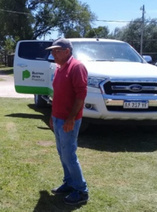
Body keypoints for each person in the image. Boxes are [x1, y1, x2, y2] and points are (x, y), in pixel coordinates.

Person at [46, 38, 89, 205]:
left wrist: (71, 118)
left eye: (57, 51)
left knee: (69, 155)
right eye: (52, 51)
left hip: (68, 120)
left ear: (67, 52)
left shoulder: (77, 67)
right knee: (62, 152)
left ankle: (81, 191)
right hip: (57, 118)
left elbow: (81, 95)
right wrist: (52, 114)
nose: (53, 53)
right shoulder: (59, 68)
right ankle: (69, 182)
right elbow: (57, 95)